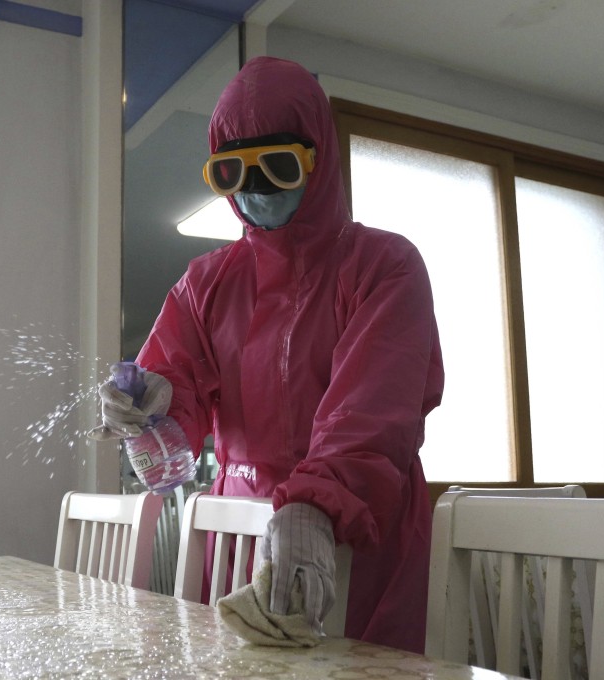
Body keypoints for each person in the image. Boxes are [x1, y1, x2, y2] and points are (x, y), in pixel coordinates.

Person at [94, 56, 444, 654]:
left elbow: (372, 410)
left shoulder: (384, 266)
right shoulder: (205, 283)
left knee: (360, 663)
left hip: (358, 526)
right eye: (231, 172)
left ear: (319, 158)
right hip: (241, 530)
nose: (253, 190)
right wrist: (147, 414)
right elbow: (174, 397)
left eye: (277, 168)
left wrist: (315, 504)